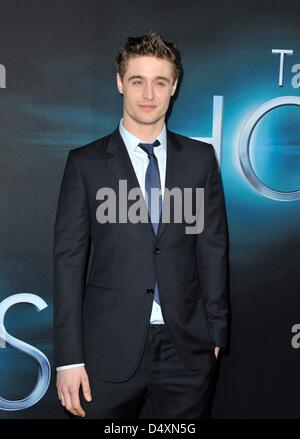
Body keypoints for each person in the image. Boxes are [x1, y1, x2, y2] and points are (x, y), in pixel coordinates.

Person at [53, 31, 229, 419]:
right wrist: (68, 358)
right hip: (106, 353)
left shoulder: (201, 160)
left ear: (174, 86)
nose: (148, 94)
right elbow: (68, 263)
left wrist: (215, 331)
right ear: (120, 82)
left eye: (159, 82)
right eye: (137, 80)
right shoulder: (86, 164)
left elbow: (212, 248)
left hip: (187, 352)